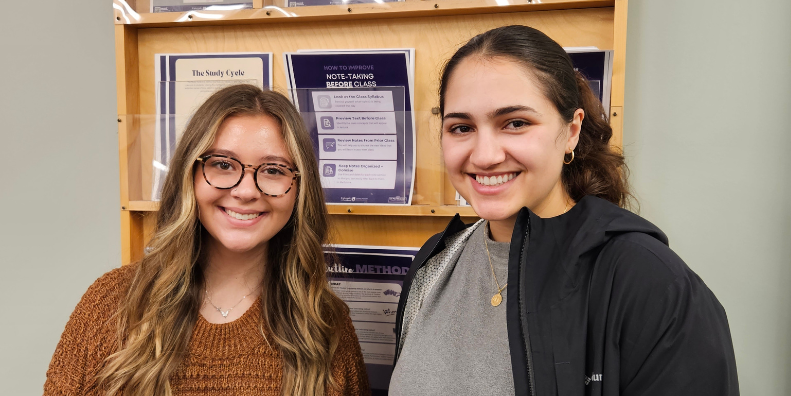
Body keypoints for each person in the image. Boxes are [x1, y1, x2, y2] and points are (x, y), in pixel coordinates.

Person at [389, 25, 739, 396]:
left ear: (571, 130)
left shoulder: (649, 283)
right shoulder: (436, 263)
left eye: (516, 123)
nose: (484, 155)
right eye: (461, 127)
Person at [44, 84, 370, 395]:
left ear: (300, 190)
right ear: (190, 174)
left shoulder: (325, 322)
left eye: (273, 170)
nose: (246, 191)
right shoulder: (111, 305)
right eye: (223, 165)